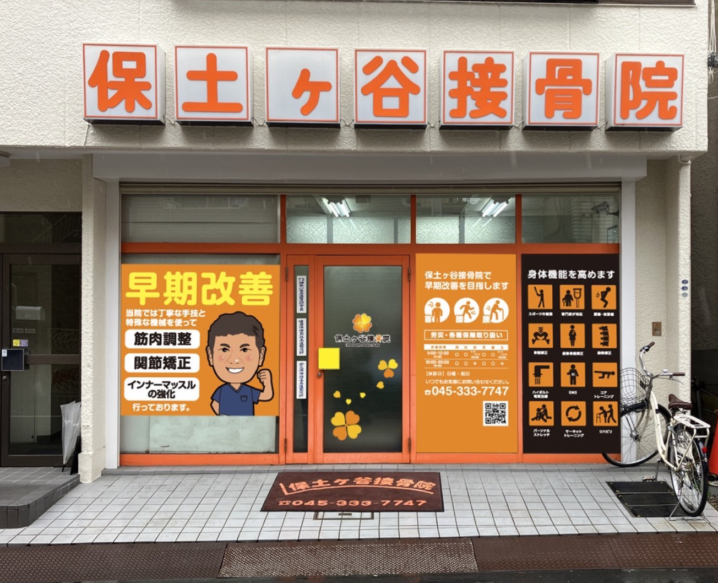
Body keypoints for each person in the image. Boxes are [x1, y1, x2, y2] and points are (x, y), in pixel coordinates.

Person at [207, 311, 274, 416]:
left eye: (244, 350)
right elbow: (214, 404)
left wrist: (267, 382)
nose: (235, 360)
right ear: (210, 355)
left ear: (261, 355)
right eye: (224, 350)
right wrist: (223, 417)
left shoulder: (248, 391)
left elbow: (266, 396)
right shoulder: (222, 390)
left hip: (247, 425)